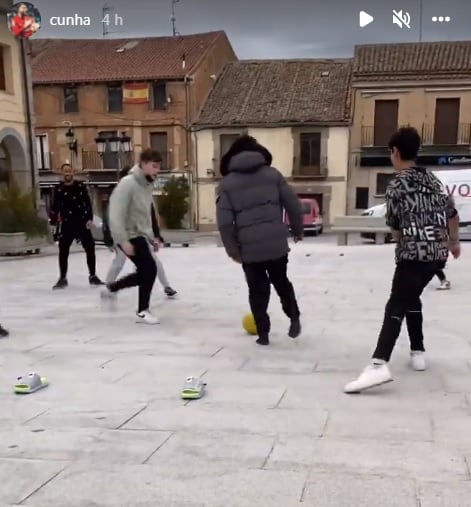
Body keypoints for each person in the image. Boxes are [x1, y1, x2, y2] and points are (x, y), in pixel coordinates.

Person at [345, 127, 460, 394]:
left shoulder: (396, 184)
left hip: (413, 253)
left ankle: (378, 364)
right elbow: (452, 214)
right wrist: (453, 242)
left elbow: (395, 226)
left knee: (396, 303)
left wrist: (402, 239)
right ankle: (418, 351)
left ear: (395, 152)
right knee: (411, 297)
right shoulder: (434, 181)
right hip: (436, 255)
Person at [216, 135, 303, 346]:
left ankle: (263, 335)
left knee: (257, 290)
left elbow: (225, 222)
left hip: (249, 249)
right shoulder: (273, 175)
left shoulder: (226, 185)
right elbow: (292, 203)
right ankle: (293, 317)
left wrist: (233, 251)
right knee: (281, 282)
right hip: (276, 244)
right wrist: (297, 229)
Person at [100, 149, 161, 324]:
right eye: (153, 166)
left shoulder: (147, 185)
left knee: (146, 271)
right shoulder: (127, 183)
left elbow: (144, 215)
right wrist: (122, 240)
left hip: (139, 234)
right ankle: (142, 310)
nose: (156, 171)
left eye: (158, 167)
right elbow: (115, 213)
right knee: (150, 269)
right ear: (142, 164)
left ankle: (113, 287)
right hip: (128, 234)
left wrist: (152, 237)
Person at [103, 168, 177, 297]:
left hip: (140, 235)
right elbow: (110, 218)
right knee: (119, 261)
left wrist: (156, 235)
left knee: (155, 262)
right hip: (123, 236)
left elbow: (151, 216)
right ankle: (109, 285)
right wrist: (109, 236)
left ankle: (167, 286)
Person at [50, 164, 103, 289]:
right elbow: (55, 207)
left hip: (82, 222)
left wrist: (89, 219)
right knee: (63, 251)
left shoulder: (80, 187)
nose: (67, 174)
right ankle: (63, 277)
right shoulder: (59, 189)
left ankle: (92, 275)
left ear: (73, 173)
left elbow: (88, 204)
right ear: (62, 174)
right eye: (65, 172)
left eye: (69, 171)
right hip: (67, 223)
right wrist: (53, 222)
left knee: (90, 248)